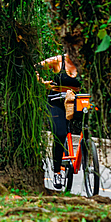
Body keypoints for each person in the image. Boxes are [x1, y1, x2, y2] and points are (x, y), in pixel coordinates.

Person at [39, 53, 82, 190]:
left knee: (89, 124)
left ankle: (86, 151)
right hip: (56, 102)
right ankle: (57, 171)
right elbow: (35, 68)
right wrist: (42, 82)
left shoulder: (86, 62)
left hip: (76, 102)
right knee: (60, 133)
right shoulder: (58, 60)